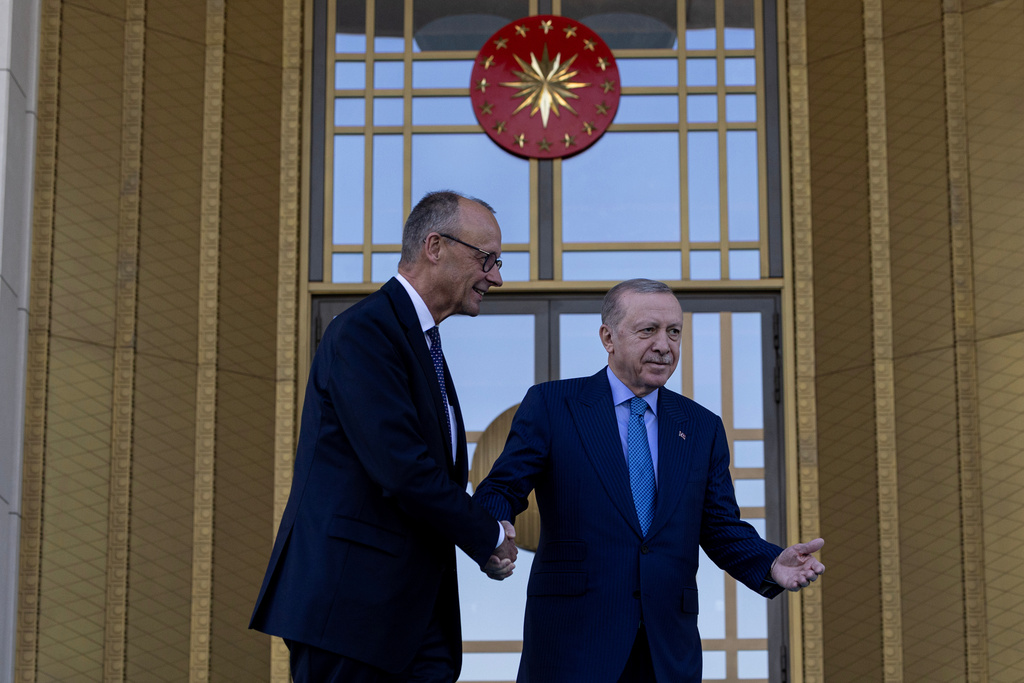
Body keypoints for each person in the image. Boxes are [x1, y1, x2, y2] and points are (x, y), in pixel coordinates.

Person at [473, 278, 825, 682]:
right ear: (608, 337)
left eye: (674, 332)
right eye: (648, 330)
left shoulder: (701, 427)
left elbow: (720, 527)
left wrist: (771, 562)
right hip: (573, 644)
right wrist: (493, 532)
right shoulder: (554, 405)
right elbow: (501, 487)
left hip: (666, 651)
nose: (664, 345)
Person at [250, 190, 519, 682]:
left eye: (498, 262)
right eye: (486, 259)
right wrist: (485, 534)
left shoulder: (421, 342)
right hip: (350, 614)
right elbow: (402, 467)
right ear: (434, 246)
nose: (496, 276)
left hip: (413, 620)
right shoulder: (364, 333)